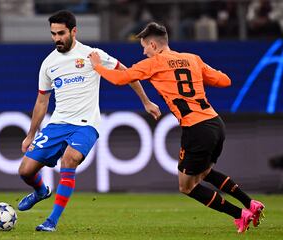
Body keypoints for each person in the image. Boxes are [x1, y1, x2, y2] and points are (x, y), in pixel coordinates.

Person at [88, 22, 265, 233]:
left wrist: (97, 66)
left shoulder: (154, 62)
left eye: (144, 47)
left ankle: (240, 215)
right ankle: (250, 204)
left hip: (196, 129)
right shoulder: (192, 59)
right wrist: (202, 75)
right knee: (205, 172)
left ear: (153, 45)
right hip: (216, 123)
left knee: (186, 186)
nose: (143, 52)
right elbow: (225, 81)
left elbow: (120, 79)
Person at [17, 10, 161, 232]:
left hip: (86, 124)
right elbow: (41, 102)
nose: (57, 38)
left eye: (61, 33)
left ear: (74, 31)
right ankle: (40, 192)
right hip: (58, 124)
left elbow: (127, 74)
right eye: (53, 34)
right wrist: (30, 134)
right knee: (25, 171)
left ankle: (51, 221)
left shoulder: (92, 55)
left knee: (69, 159)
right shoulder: (48, 64)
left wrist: (146, 102)